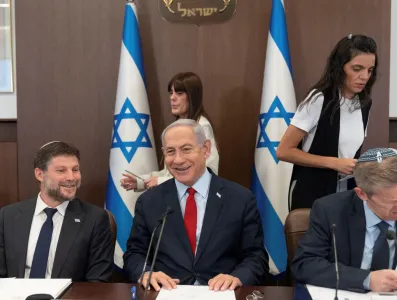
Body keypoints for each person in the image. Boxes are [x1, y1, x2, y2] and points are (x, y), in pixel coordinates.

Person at [123, 119, 269, 291]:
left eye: (186, 149)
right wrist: (146, 273)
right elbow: (134, 254)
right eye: (170, 151)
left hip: (220, 294)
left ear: (205, 149)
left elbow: (256, 256)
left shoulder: (240, 199)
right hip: (168, 293)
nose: (178, 160)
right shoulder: (149, 202)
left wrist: (237, 277)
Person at [276, 34, 378, 210]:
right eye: (357, 69)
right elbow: (284, 151)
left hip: (347, 194)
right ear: (340, 67)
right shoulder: (319, 99)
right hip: (312, 193)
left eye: (369, 70)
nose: (364, 76)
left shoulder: (364, 103)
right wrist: (333, 162)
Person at [0, 141, 114, 281]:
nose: (71, 177)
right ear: (40, 174)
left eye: (75, 169)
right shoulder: (8, 216)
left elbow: (98, 281)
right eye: (61, 170)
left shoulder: (95, 219)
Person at [292, 148, 397, 293]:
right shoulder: (330, 210)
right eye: (395, 202)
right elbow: (305, 264)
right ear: (362, 194)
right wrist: (366, 279)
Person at [120, 72, 219, 191]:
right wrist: (141, 182)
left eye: (179, 93)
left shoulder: (201, 126)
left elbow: (208, 171)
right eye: (171, 93)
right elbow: (171, 172)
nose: (172, 97)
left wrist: (160, 182)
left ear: (192, 96)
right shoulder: (177, 127)